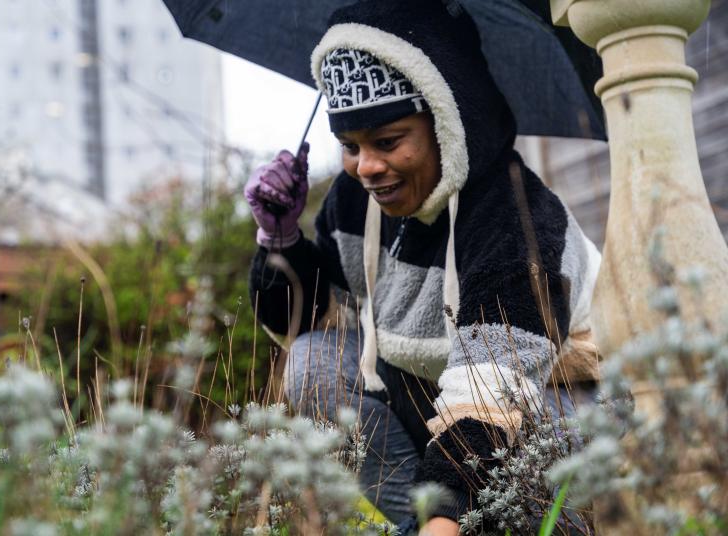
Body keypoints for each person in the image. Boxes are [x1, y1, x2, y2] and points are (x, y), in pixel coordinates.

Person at [245, 0, 601, 533]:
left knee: (513, 478)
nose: (366, 167)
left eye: (387, 142)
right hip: (446, 396)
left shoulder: (518, 221)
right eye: (350, 146)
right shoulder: (355, 199)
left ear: (448, 122)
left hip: (558, 413)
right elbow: (306, 322)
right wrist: (280, 238)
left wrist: (448, 519)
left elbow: (490, 394)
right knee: (313, 362)